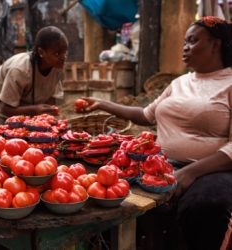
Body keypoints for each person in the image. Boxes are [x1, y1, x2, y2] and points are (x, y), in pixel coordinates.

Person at [80, 16, 232, 250]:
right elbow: (146, 115)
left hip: (209, 170)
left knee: (205, 206)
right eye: (184, 41)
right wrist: (102, 104)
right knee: (108, 194)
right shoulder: (179, 83)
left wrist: (191, 172)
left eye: (193, 41)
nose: (185, 47)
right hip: (160, 165)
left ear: (216, 45)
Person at [0, 26, 68, 131]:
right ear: (41, 52)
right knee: (4, 143)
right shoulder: (20, 70)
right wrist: (34, 110)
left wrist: (48, 119)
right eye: (57, 53)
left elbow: (50, 101)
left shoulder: (57, 66)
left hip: (23, 110)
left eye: (65, 52)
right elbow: (6, 108)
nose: (63, 57)